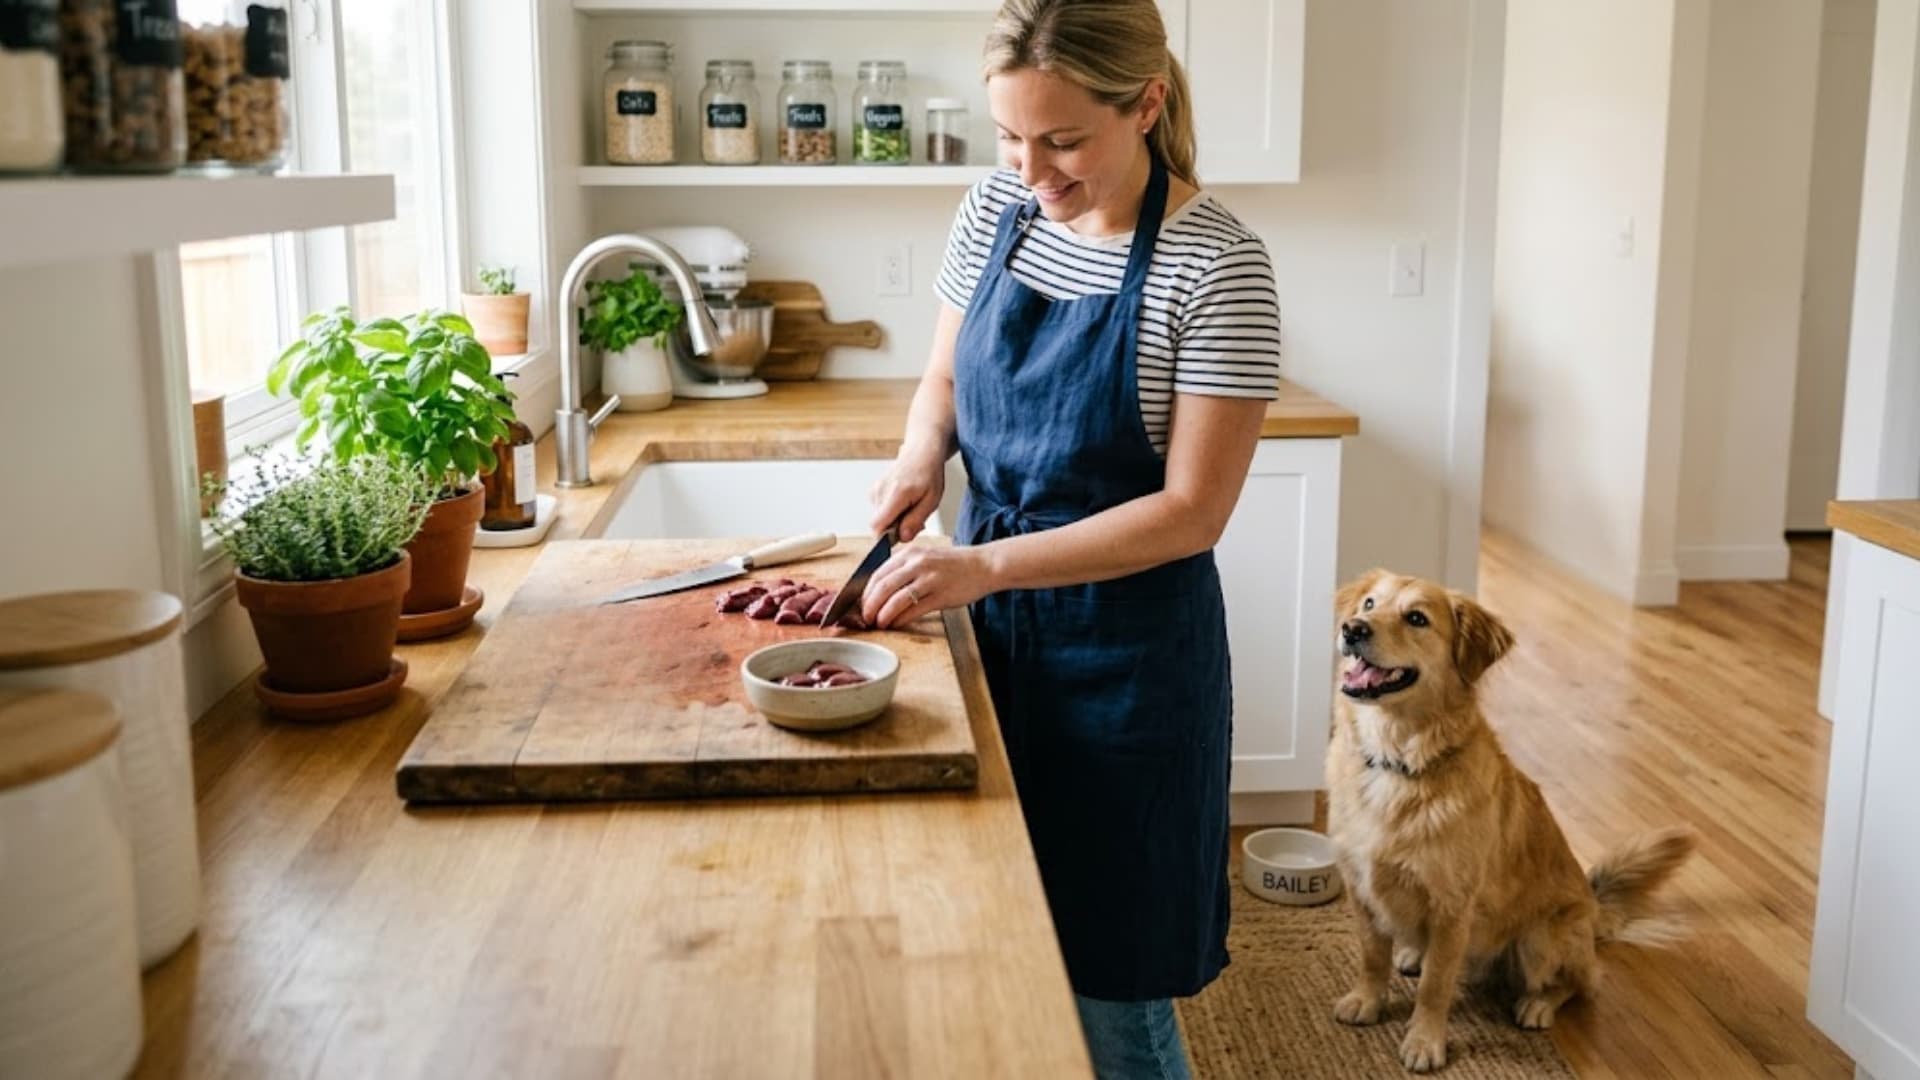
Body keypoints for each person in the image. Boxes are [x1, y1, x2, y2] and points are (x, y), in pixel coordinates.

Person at [859, 0, 1282, 1075]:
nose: (1031, 171)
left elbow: (1193, 511)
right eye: (1010, 137)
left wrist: (986, 565)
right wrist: (920, 459)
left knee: (1112, 987)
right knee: (985, 941)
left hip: (1128, 666)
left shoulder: (1218, 264)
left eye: (1062, 141)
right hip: (982, 639)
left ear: (1146, 105)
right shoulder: (991, 210)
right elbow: (944, 382)